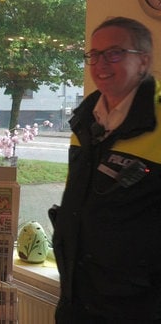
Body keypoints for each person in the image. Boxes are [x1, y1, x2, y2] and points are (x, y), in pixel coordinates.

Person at [51, 17, 161, 323]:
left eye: (114, 53)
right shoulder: (86, 121)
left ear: (143, 62)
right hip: (77, 298)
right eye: (94, 54)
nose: (101, 63)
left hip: (137, 309)